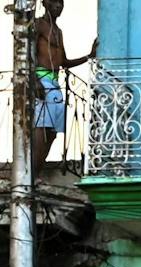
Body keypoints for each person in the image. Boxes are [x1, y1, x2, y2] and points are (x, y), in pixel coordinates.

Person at [32, 0, 95, 165]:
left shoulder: (59, 32)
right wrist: (35, 81)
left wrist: (89, 56)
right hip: (42, 79)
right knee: (41, 128)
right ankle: (33, 173)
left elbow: (63, 62)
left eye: (61, 3)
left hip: (55, 83)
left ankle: (38, 168)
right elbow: (27, 54)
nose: (58, 6)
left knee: (53, 132)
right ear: (45, 3)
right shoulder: (38, 24)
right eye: (54, 2)